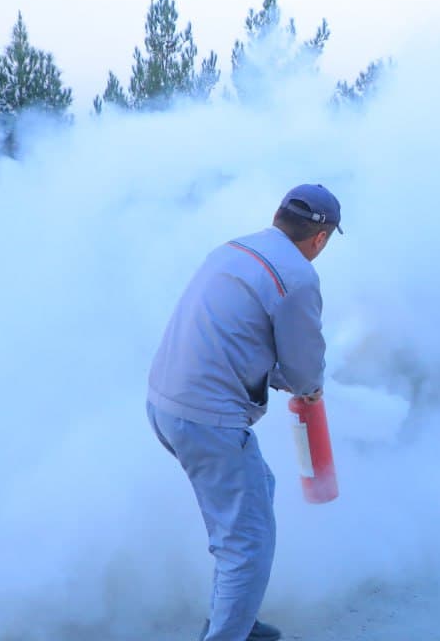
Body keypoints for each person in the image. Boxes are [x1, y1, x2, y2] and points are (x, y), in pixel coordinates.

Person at [146, 184, 342, 641]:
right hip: (205, 419)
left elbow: (237, 339)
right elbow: (303, 366)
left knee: (255, 497)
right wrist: (309, 389)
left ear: (277, 216)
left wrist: (285, 377)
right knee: (248, 545)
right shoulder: (297, 276)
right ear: (321, 238)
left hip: (163, 404)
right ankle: (229, 631)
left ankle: (232, 618)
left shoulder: (234, 249)